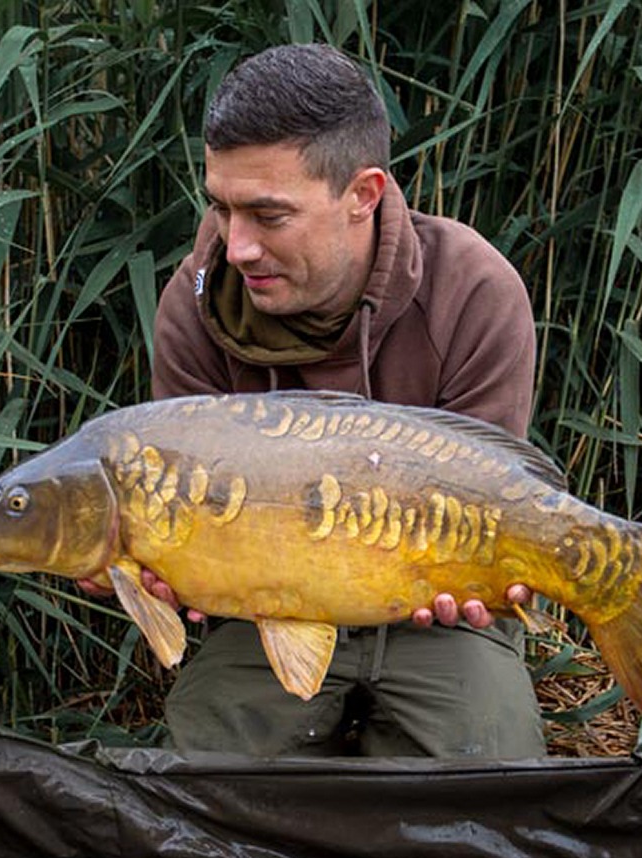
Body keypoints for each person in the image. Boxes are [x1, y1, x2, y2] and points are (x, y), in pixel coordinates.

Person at [142, 42, 546, 758]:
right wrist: (158, 566)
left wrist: (478, 576)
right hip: (263, 616)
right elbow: (176, 516)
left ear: (363, 195)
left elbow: (490, 498)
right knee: (205, 782)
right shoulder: (196, 305)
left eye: (268, 216)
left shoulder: (474, 290)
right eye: (222, 208)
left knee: (486, 780)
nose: (236, 247)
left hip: (439, 622)